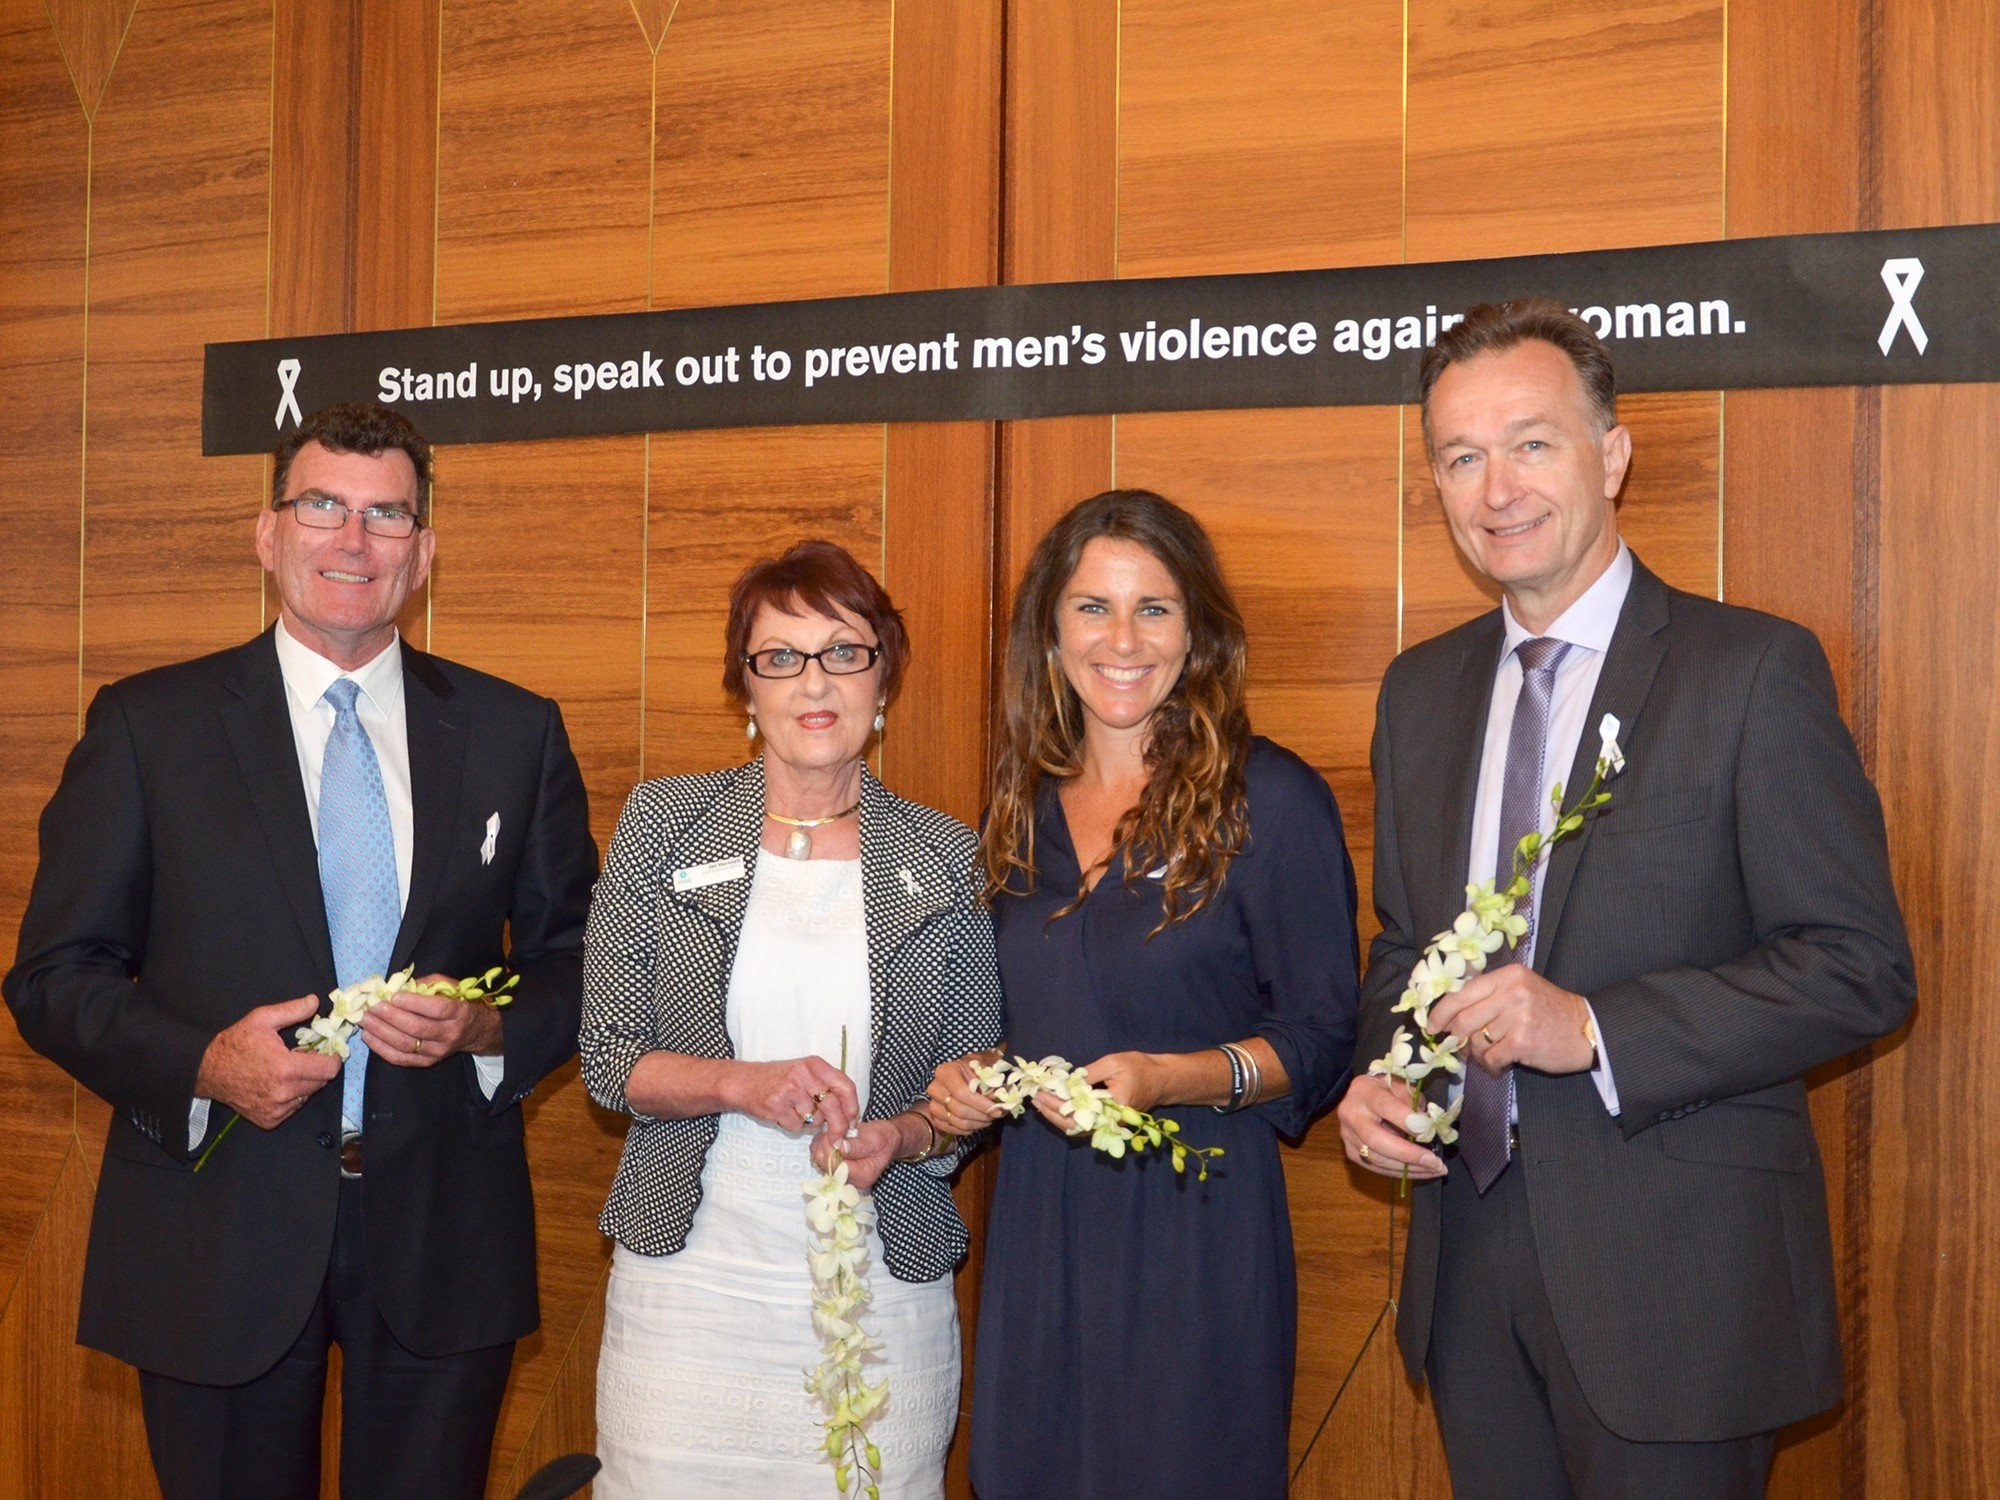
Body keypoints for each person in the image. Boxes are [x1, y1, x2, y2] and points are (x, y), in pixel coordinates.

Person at [1335, 298, 1915, 1499]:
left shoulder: (1749, 671)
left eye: (1531, 443)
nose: (1495, 488)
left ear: (1610, 454)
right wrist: (1385, 1074)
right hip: (1467, 1275)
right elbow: (1405, 948)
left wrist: (1591, 1030)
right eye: (1459, 456)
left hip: (1676, 1289)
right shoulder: (1418, 693)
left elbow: (1857, 965)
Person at [3, 403, 598, 1499]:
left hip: (441, 1239)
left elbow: (576, 961)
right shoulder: (148, 726)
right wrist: (202, 1064)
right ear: (267, 532)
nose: (352, 540)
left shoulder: (517, 733)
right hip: (215, 1233)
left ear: (423, 552)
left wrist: (487, 1027)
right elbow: (52, 978)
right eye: (321, 505)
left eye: (386, 515)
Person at [924, 491, 1358, 1499]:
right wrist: (964, 1089)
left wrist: (1176, 1077)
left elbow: (1325, 1035)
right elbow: (1003, 1030)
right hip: (1039, 1236)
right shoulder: (1009, 812)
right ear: (1048, 629)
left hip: (1196, 1235)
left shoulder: (1271, 799)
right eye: (1091, 608)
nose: (1120, 640)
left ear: (1196, 629)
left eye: (1152, 608)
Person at [580, 539, 1003, 1500]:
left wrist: (898, 1135)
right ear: (746, 687)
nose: (814, 681)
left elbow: (969, 1086)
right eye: (781, 656)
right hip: (689, 1294)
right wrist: (743, 1083)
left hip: (880, 1289)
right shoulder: (664, 823)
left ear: (882, 674)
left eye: (844, 651)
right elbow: (608, 1060)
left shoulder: (942, 854)